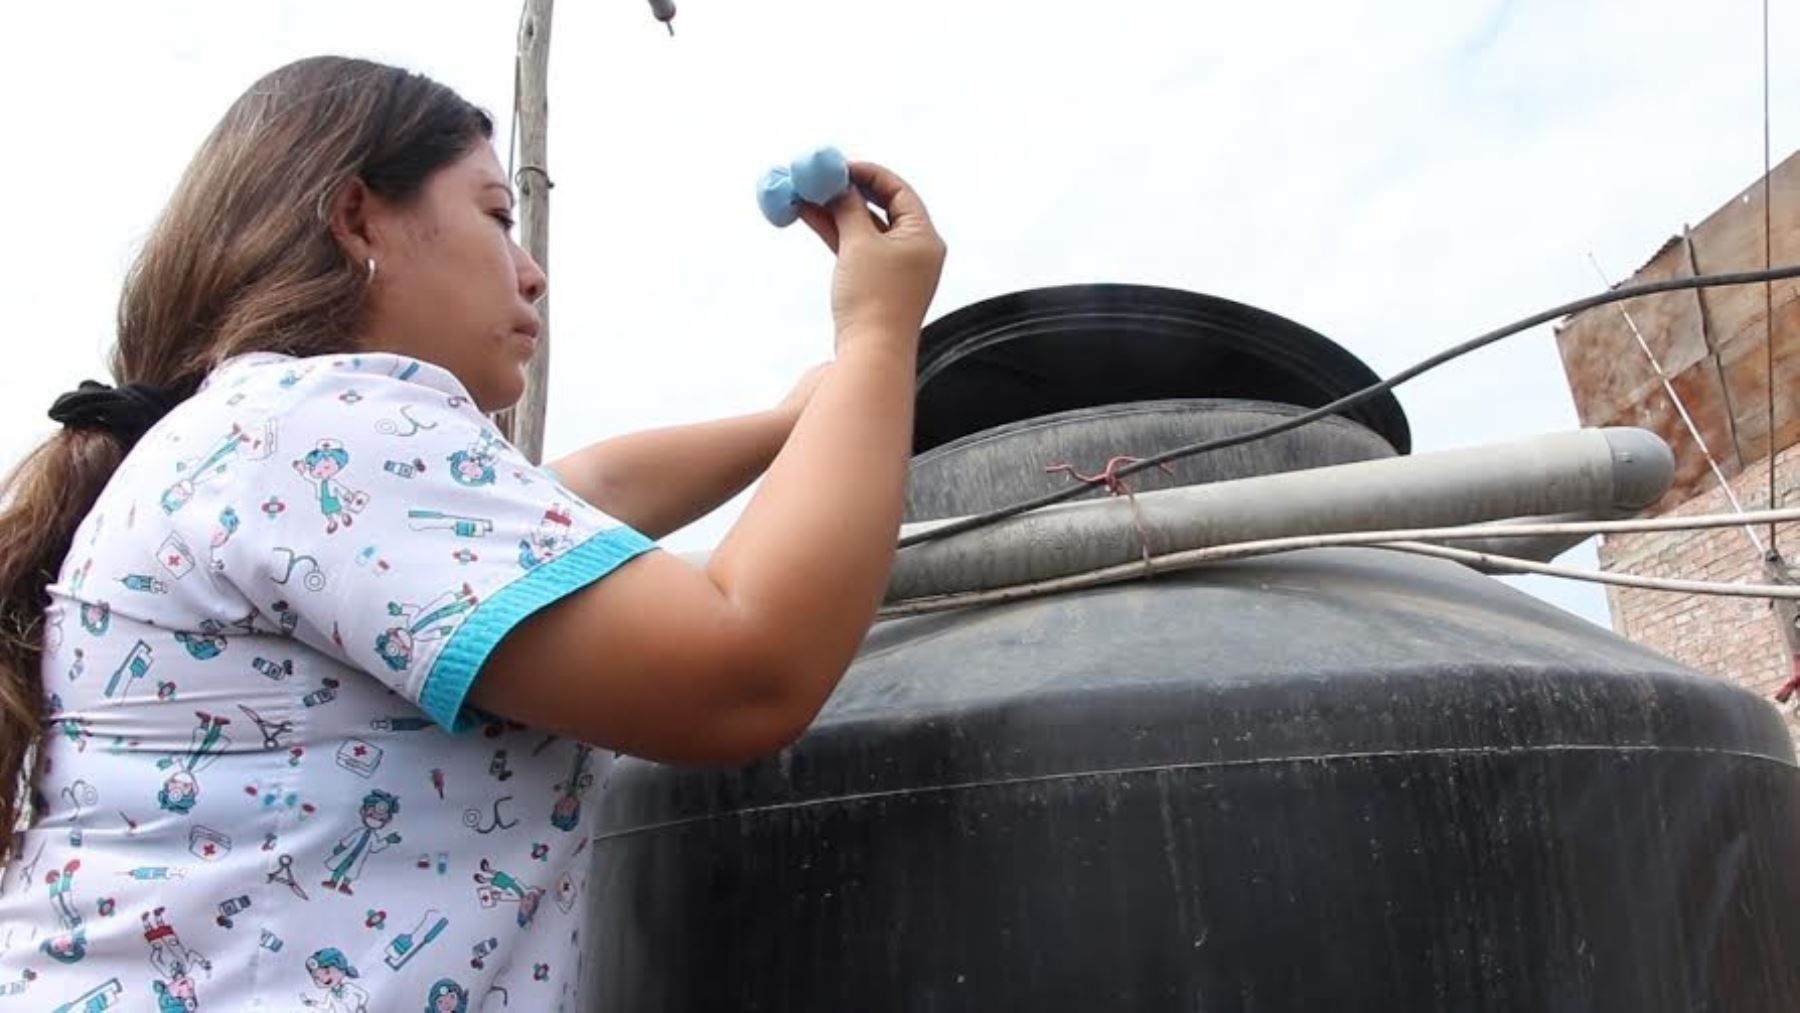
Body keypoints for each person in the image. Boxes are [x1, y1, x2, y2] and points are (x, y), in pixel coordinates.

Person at [0, 55, 945, 1009]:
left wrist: (803, 417)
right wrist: (878, 332)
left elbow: (582, 495)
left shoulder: (249, 441)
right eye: (498, 217)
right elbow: (746, 671)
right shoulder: (314, 421)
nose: (531, 273)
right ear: (357, 216)